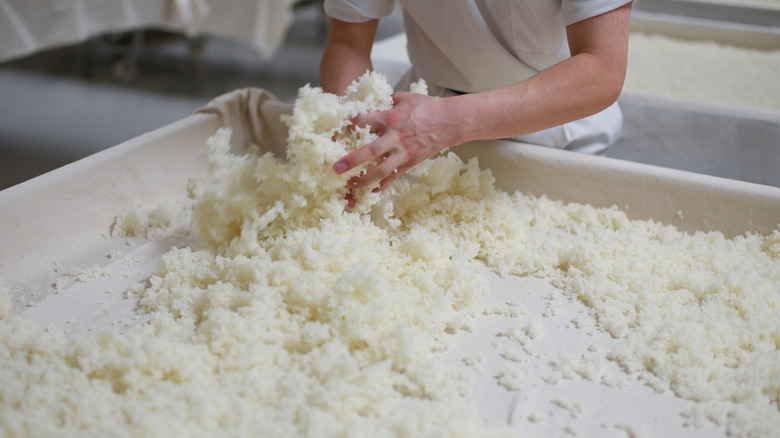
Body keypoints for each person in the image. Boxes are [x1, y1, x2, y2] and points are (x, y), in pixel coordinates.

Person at [319, 0, 633, 197]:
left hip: (556, 134)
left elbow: (603, 70)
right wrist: (355, 125)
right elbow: (348, 43)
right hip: (418, 139)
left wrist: (447, 121)